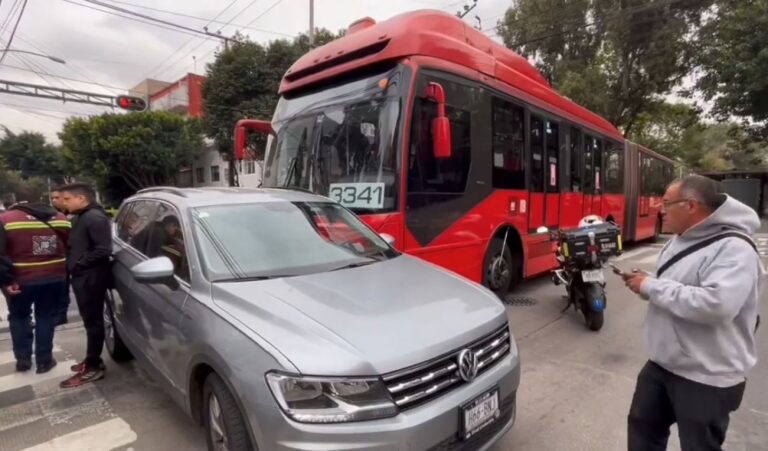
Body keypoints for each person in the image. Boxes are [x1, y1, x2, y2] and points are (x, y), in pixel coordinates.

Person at [623, 175, 761, 451]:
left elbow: (717, 304)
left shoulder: (734, 248)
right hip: (662, 364)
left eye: (666, 203)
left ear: (691, 205)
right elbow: (681, 284)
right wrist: (649, 281)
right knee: (642, 430)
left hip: (706, 375)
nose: (660, 209)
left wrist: (651, 286)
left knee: (699, 446)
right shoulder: (679, 239)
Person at [0, 192, 70, 373]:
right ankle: (44, 361)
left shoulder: (6, 219)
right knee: (45, 316)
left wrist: (7, 281)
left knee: (19, 317)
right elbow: (68, 247)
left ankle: (23, 361)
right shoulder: (61, 218)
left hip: (21, 280)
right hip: (55, 276)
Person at [58, 183, 113, 388]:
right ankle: (92, 359)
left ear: (81, 198)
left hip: (91, 278)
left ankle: (94, 366)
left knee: (94, 323)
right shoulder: (82, 216)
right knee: (90, 322)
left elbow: (103, 249)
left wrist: (80, 264)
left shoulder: (94, 218)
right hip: (83, 277)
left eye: (67, 199)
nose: (64, 203)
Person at [50, 189, 71, 325]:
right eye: (52, 198)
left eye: (57, 197)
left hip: (70, 256)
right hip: (56, 257)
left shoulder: (73, 216)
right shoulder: (51, 216)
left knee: (63, 288)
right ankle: (58, 315)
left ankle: (61, 315)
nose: (54, 200)